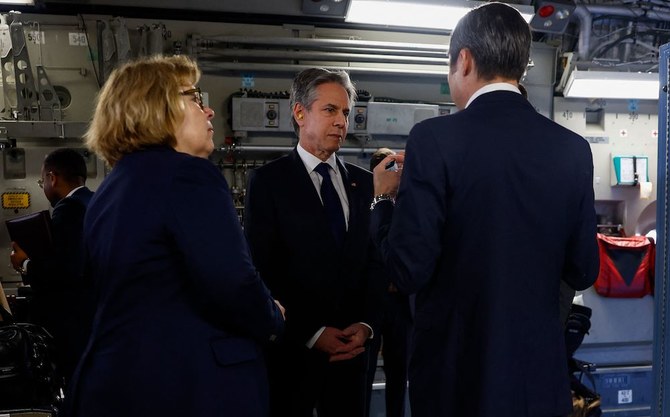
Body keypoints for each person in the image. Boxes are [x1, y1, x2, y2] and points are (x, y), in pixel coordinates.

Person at [369, 3, 600, 417]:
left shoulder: (434, 140)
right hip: (538, 386)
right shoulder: (573, 150)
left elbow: (407, 270)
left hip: (457, 383)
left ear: (465, 60)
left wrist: (383, 202)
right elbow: (584, 269)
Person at [66, 55, 285, 417]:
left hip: (119, 384)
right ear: (157, 107)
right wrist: (273, 318)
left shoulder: (112, 187)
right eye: (196, 97)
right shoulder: (187, 176)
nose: (209, 111)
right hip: (189, 387)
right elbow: (232, 281)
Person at [244, 67, 384, 417]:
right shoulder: (268, 182)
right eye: (330, 110)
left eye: (346, 113)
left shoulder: (363, 183)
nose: (341, 122)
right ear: (299, 112)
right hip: (294, 354)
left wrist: (366, 326)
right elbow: (263, 268)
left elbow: (372, 262)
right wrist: (312, 333)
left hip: (352, 353)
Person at [10, 148, 94, 383]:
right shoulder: (94, 201)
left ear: (52, 178)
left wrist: (25, 263)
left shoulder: (69, 209)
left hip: (71, 323)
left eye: (42, 181)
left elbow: (65, 269)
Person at [365, 148, 410, 417]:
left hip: (402, 305)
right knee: (365, 369)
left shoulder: (406, 207)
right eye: (391, 167)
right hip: (374, 302)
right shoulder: (368, 205)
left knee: (399, 372)